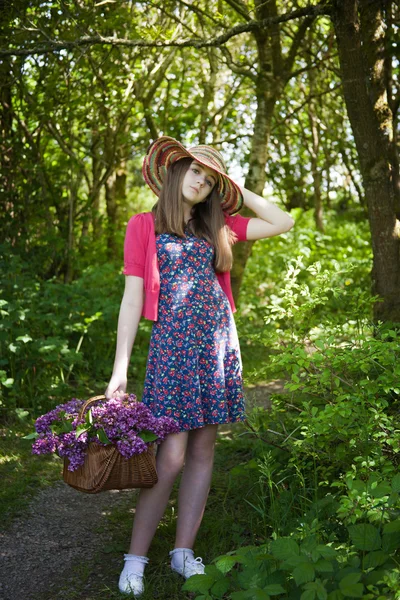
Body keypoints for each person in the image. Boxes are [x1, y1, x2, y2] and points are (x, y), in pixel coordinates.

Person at [105, 136, 294, 596]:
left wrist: (234, 188)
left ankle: (183, 553)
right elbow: (132, 301)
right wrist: (120, 367)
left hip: (215, 345)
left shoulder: (219, 226)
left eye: (210, 180)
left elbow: (283, 221)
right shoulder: (142, 226)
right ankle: (136, 558)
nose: (201, 182)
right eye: (196, 172)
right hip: (172, 351)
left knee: (204, 453)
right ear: (175, 171)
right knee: (168, 458)